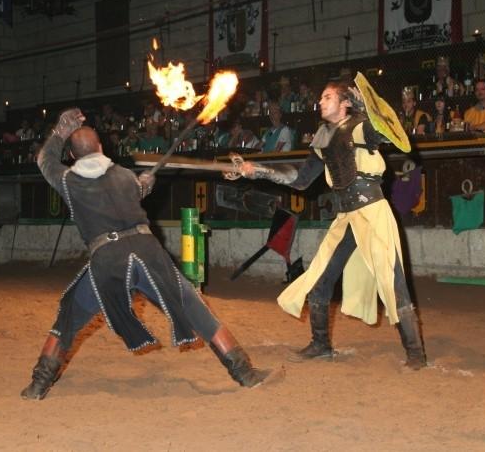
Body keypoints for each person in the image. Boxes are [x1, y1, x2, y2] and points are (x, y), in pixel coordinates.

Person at [21, 109, 271, 400]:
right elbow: (129, 194)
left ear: (73, 157)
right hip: (146, 250)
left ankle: (38, 385)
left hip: (109, 258)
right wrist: (142, 187)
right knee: (194, 306)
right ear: (101, 148)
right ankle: (245, 373)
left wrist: (59, 131)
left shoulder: (68, 180)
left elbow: (44, 160)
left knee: (69, 316)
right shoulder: (125, 175)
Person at [235, 81, 427, 370]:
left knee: (392, 281)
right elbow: (300, 179)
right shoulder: (323, 137)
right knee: (319, 276)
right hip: (346, 216)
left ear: (345, 103)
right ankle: (321, 345)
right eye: (321, 97)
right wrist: (259, 170)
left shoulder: (361, 126)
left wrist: (367, 107)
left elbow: (389, 130)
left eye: (328, 97)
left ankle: (415, 354)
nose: (321, 102)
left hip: (372, 212)